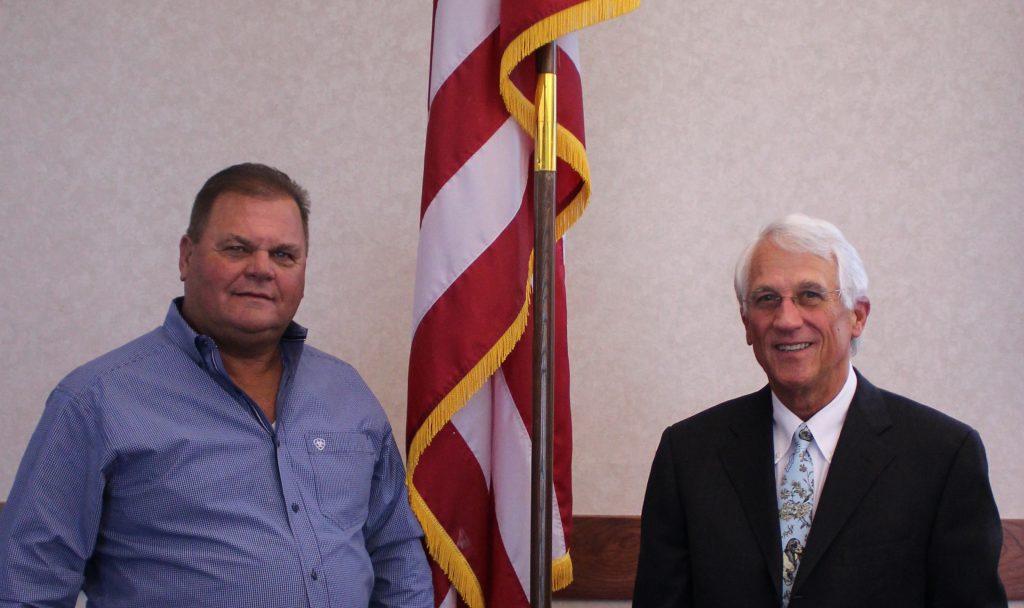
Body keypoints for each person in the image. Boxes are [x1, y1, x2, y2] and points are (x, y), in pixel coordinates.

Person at [0, 163, 432, 607]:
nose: (261, 269)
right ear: (187, 256)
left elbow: (395, 553)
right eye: (237, 248)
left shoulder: (347, 394)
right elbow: (27, 588)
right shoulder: (95, 402)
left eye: (284, 255)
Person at [633, 214, 1006, 607]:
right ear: (747, 323)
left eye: (810, 295)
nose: (787, 320)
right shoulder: (689, 454)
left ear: (858, 315)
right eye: (767, 299)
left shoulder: (943, 455)